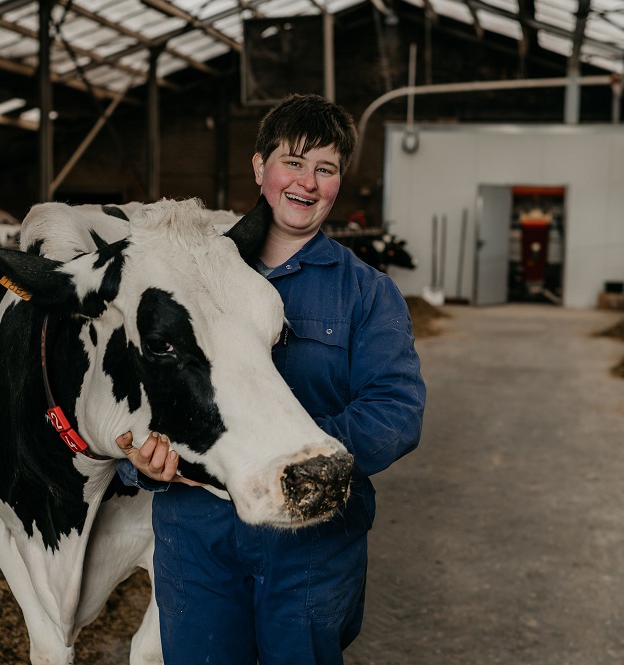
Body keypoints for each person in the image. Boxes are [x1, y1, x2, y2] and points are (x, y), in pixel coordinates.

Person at [116, 93, 426, 665]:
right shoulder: (176, 277)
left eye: (325, 168)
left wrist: (290, 460)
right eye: (293, 161)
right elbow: (127, 395)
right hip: (199, 533)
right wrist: (138, 461)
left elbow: (397, 411)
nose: (306, 182)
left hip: (311, 536)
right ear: (260, 167)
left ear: (339, 182)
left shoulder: (366, 292)